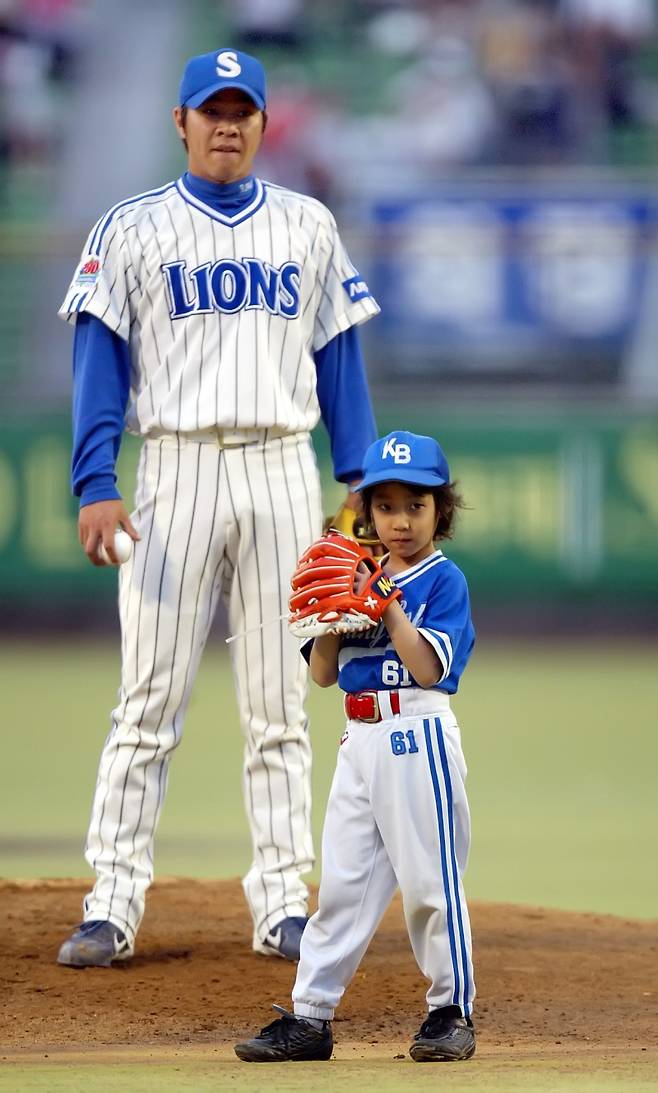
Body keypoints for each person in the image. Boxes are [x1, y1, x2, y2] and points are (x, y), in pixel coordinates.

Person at [56, 47, 379, 967]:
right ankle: (112, 903)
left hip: (282, 469)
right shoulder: (131, 228)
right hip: (177, 471)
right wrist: (95, 481)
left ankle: (283, 902)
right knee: (148, 698)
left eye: (242, 110)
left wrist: (357, 480)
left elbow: (340, 362)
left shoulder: (308, 226)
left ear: (264, 125)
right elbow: (99, 361)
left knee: (279, 702)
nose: (226, 123)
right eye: (211, 109)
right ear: (181, 122)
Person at [234, 429, 477, 1063]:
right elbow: (321, 675)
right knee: (341, 886)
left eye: (416, 506)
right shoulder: (348, 570)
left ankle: (451, 1012)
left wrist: (388, 609)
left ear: (440, 512)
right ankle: (312, 1018)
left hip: (415, 733)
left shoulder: (443, 581)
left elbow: (429, 671)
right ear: (366, 510)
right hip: (358, 739)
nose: (401, 521)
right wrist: (330, 617)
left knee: (430, 883)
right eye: (387, 506)